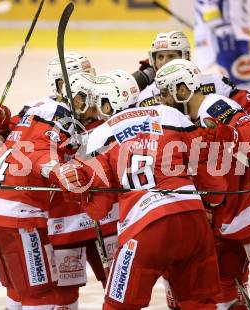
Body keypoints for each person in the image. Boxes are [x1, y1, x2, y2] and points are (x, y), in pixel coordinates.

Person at [53, 69, 226, 309]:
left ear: (109, 101)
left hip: (146, 228)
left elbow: (99, 209)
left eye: (98, 101)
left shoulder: (101, 135)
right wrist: (211, 204)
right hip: (192, 219)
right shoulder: (171, 115)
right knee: (199, 303)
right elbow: (212, 177)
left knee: (118, 306)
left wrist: (78, 191)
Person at [155, 59, 250, 310]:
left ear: (182, 90)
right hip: (225, 218)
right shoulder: (182, 121)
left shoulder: (215, 107)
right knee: (221, 291)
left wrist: (230, 135)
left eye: (164, 93)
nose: (160, 101)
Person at [0, 52, 117, 309]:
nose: (88, 86)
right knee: (56, 292)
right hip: (60, 217)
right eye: (78, 80)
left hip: (102, 213)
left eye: (89, 76)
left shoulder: (103, 104)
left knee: (117, 284)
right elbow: (18, 151)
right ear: (60, 85)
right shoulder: (39, 110)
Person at [137, 30, 250, 156]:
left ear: (185, 57)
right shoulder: (143, 98)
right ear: (153, 60)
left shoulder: (213, 83)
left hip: (221, 167)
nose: (165, 62)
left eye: (171, 56)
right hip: (176, 168)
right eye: (160, 57)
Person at [194, 0, 250, 91]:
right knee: (236, 83)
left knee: (246, 79)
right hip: (228, 35)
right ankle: (239, 103)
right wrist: (220, 29)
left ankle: (245, 102)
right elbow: (206, 4)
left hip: (239, 32)